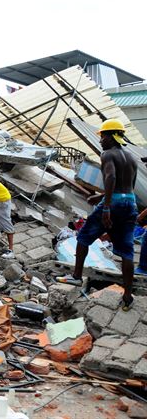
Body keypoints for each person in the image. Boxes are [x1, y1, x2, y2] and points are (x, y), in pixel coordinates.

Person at [66, 119, 137, 311]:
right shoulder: (130, 157)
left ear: (111, 136)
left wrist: (106, 206)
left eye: (103, 137)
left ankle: (76, 276)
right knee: (127, 252)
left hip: (112, 204)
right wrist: (101, 196)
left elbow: (111, 177)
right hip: (129, 203)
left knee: (83, 237)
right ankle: (128, 296)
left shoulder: (107, 154)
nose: (101, 141)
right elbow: (128, 186)